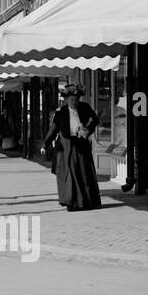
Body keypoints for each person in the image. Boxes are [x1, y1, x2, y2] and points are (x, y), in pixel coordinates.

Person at [42, 83, 102, 211]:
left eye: (76, 99)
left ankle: (86, 202)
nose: (74, 102)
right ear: (65, 100)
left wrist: (87, 128)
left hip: (81, 145)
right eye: (71, 100)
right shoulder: (61, 112)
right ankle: (71, 202)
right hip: (66, 147)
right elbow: (53, 130)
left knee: (84, 174)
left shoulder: (85, 108)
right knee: (70, 174)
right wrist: (45, 144)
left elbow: (94, 119)